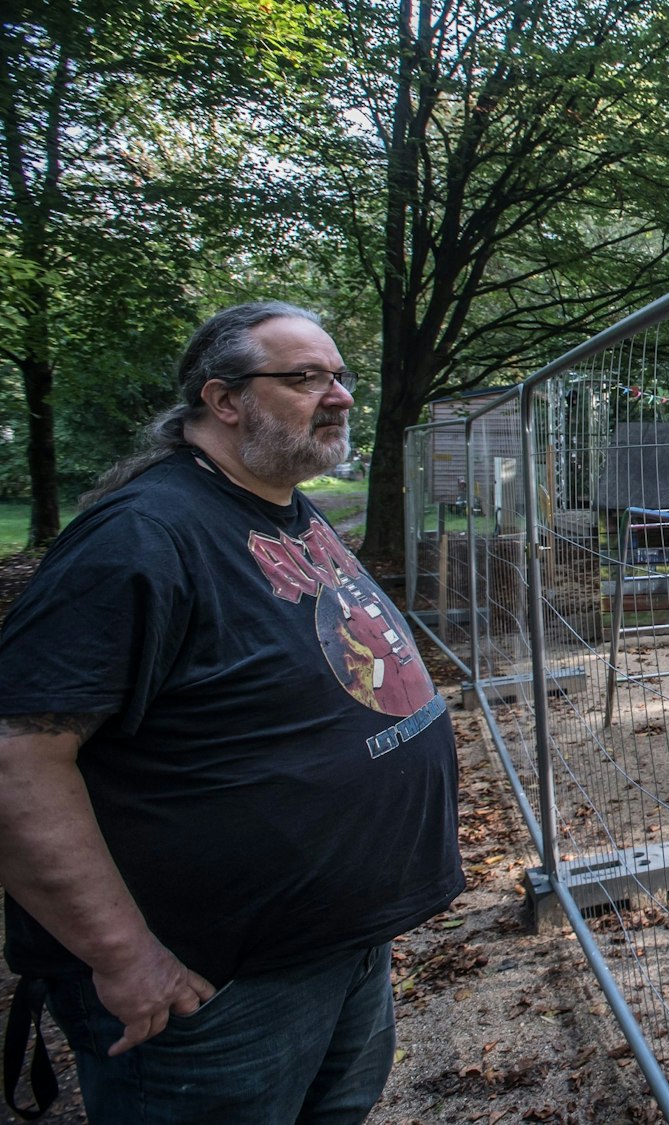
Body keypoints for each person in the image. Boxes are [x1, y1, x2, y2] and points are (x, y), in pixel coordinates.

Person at [0, 302, 463, 1123]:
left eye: (340, 376)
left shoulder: (281, 504)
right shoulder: (142, 537)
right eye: (303, 377)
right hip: (212, 993)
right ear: (222, 400)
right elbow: (17, 760)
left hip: (333, 949)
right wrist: (125, 957)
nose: (340, 396)